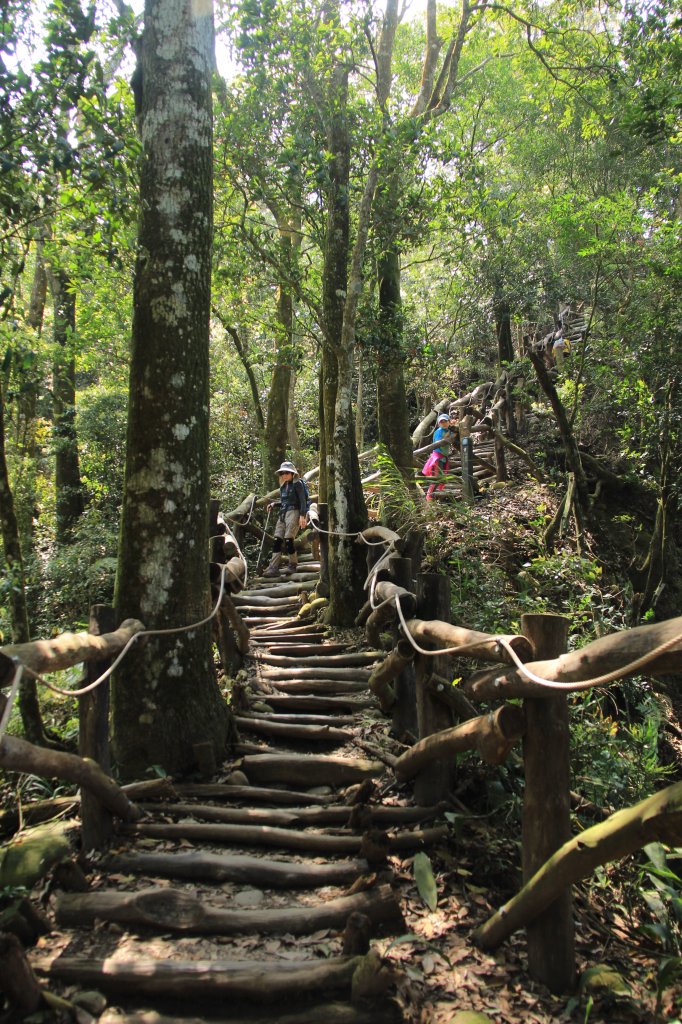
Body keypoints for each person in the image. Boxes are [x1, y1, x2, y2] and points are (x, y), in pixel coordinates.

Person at [262, 461, 308, 577]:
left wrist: (302, 516)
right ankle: (274, 567)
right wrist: (274, 504)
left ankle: (292, 564)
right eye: (282, 473)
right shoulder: (284, 486)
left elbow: (302, 500)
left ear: (293, 473)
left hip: (294, 512)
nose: (284, 475)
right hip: (283, 513)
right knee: (277, 540)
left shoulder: (298, 484)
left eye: (287, 472)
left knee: (288, 539)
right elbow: (284, 501)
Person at [423, 412, 456, 501]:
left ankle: (432, 496)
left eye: (445, 421)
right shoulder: (439, 431)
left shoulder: (448, 430)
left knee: (440, 477)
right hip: (437, 457)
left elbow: (453, 435)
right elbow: (439, 443)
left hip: (443, 457)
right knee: (436, 477)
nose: (444, 423)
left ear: (449, 421)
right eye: (442, 422)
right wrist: (448, 437)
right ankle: (429, 497)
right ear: (438, 423)